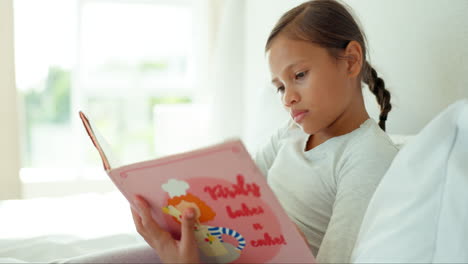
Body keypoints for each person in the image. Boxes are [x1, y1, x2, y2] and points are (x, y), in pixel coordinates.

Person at [64, 0, 398, 263]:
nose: (288, 98)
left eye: (299, 75)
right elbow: (235, 189)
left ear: (351, 60)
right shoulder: (289, 135)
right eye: (279, 87)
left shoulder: (366, 154)